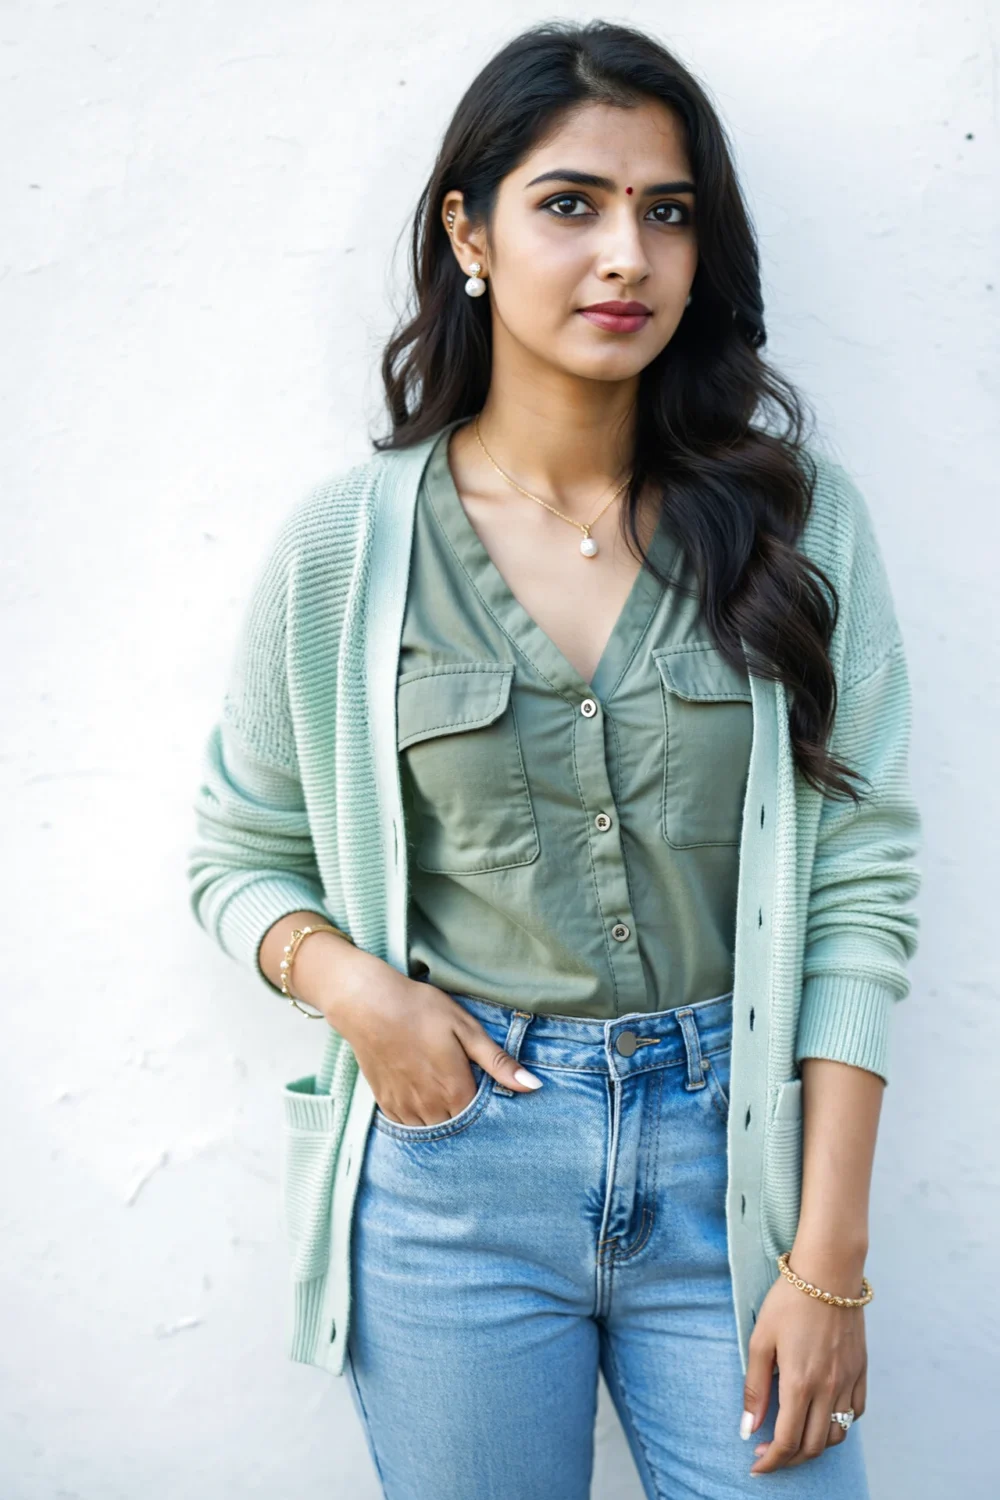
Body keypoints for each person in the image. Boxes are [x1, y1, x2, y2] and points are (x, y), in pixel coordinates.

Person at [187, 19, 922, 1498]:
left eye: (668, 212)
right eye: (570, 204)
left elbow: (861, 872)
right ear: (469, 231)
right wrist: (364, 999)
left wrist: (826, 1257)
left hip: (740, 1167)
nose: (626, 258)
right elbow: (237, 853)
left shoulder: (796, 522)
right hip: (458, 1178)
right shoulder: (346, 550)